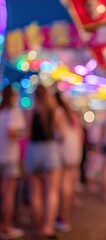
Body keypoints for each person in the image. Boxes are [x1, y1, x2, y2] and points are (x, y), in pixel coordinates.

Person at [25, 85, 63, 239]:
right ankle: (48, 227)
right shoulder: (54, 111)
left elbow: (27, 134)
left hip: (34, 151)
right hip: (50, 152)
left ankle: (38, 227)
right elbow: (62, 134)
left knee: (36, 194)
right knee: (52, 192)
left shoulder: (30, 111)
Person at [54, 92, 83, 233]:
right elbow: (79, 133)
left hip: (64, 147)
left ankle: (63, 217)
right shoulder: (70, 113)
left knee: (63, 182)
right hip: (74, 146)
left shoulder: (58, 112)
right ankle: (64, 215)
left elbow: (61, 134)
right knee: (69, 181)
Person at [0, 85, 26, 239]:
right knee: (8, 195)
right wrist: (21, 133)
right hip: (10, 158)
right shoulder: (14, 112)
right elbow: (12, 131)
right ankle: (7, 228)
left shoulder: (1, 112)